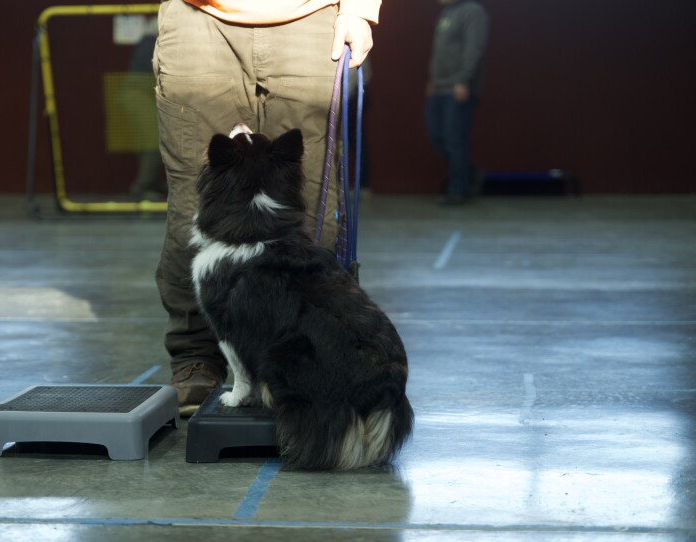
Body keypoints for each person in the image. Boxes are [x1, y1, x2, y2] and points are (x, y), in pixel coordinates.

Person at [152, 0, 381, 415]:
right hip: (197, 21)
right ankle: (195, 357)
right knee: (197, 206)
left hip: (312, 19)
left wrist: (360, 9)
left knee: (311, 206)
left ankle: (310, 356)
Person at [424, 0, 489, 205]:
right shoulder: (446, 12)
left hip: (457, 87)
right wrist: (433, 81)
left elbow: (473, 49)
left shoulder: (473, 12)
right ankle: (471, 174)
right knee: (437, 135)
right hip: (440, 86)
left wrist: (464, 80)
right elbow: (441, 52)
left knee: (455, 140)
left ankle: (458, 191)